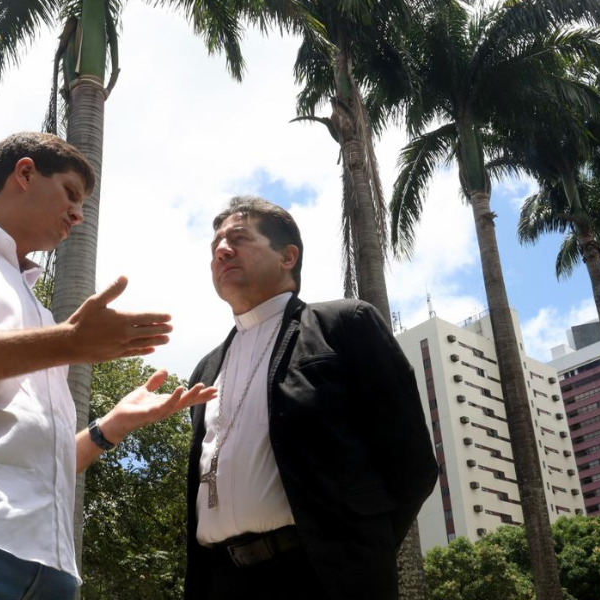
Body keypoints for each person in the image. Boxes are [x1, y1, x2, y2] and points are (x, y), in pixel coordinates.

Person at [0, 132, 215, 599]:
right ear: (24, 173)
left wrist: (110, 428)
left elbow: (41, 462)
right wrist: (68, 342)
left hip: (51, 570)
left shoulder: (39, 312)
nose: (78, 214)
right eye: (70, 193)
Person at [183, 196, 438, 600]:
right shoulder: (206, 367)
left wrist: (358, 548)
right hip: (222, 580)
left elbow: (413, 464)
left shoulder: (344, 325)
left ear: (288, 257)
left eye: (238, 238)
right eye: (215, 244)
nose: (221, 250)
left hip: (321, 577)